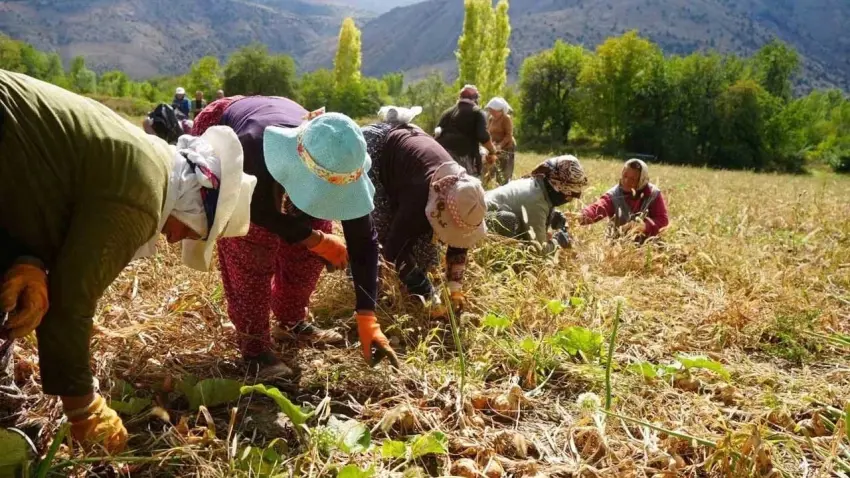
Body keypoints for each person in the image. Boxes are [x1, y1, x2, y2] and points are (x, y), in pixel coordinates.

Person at [0, 70, 256, 453]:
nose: (176, 240)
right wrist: (84, 407)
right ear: (197, 205)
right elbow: (72, 301)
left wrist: (26, 260)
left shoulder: (148, 160)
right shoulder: (141, 198)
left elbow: (40, 181)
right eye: (191, 233)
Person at [193, 97, 398, 374]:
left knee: (315, 240)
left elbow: (363, 241)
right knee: (252, 244)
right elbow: (253, 210)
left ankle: (291, 322)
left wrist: (367, 314)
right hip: (235, 140)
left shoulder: (342, 160)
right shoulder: (249, 147)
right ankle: (255, 350)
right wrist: (314, 239)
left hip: (294, 142)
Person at [362, 112, 487, 316]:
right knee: (380, 229)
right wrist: (427, 293)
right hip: (379, 151)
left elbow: (460, 239)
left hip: (411, 167)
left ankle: (413, 284)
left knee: (426, 256)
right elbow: (395, 248)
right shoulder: (419, 199)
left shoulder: (465, 196)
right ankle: (365, 288)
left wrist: (455, 288)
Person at [485, 156, 587, 253]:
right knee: (508, 220)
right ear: (558, 188)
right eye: (571, 194)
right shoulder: (536, 201)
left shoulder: (537, 186)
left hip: (479, 215)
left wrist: (550, 215)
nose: (570, 199)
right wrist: (558, 242)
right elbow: (540, 251)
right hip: (477, 224)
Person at [578, 158, 669, 241]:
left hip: (648, 245)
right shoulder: (614, 195)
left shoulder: (653, 194)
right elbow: (598, 208)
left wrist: (644, 227)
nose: (626, 181)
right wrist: (580, 216)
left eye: (633, 179)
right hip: (619, 246)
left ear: (642, 180)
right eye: (625, 176)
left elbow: (662, 220)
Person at [435, 85, 498, 177]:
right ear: (475, 98)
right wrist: (492, 151)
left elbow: (436, 134)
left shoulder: (447, 112)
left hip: (442, 156)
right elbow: (483, 136)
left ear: (460, 97)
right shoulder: (477, 112)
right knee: (466, 185)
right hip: (463, 156)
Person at [484, 97, 516, 185]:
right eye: (490, 110)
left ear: (499, 110)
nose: (490, 112)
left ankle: (503, 186)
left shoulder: (506, 118)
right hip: (495, 147)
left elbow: (509, 135)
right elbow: (489, 132)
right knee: (491, 167)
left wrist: (500, 145)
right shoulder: (491, 119)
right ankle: (485, 185)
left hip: (506, 147)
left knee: (504, 169)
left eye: (492, 110)